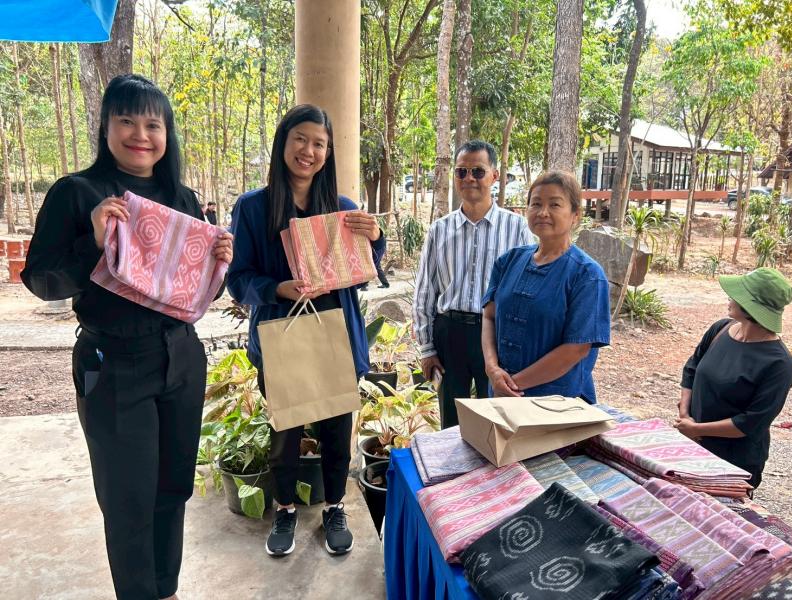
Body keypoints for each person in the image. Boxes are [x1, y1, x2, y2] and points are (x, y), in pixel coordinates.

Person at [21, 74, 233, 600]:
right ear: (105, 127)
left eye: (153, 124)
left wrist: (217, 265)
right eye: (127, 121)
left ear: (167, 134)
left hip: (180, 355)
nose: (141, 134)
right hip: (111, 359)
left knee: (173, 487)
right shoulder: (78, 193)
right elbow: (42, 281)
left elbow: (187, 293)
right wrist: (94, 240)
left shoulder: (183, 198)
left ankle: (166, 588)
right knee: (127, 498)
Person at [227, 104, 385, 557]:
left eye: (319, 143)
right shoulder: (253, 208)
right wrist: (276, 288)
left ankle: (335, 506)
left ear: (328, 153)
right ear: (284, 142)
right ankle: (285, 509)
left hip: (334, 334)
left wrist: (375, 239)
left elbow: (363, 272)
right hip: (282, 335)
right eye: (300, 139)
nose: (308, 150)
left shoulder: (343, 209)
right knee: (285, 434)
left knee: (336, 432)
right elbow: (237, 278)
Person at [413, 140, 534, 428]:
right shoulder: (439, 230)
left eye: (478, 171)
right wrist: (427, 348)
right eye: (461, 171)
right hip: (450, 333)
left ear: (495, 176)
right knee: (451, 419)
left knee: (497, 417)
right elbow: (425, 291)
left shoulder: (516, 228)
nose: (469, 178)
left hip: (495, 334)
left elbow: (526, 289)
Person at [481, 170, 610, 401]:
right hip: (501, 396)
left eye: (555, 204)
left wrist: (512, 385)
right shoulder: (508, 261)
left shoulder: (587, 275)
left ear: (575, 215)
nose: (543, 212)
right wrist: (492, 369)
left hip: (556, 404)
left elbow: (576, 349)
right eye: (536, 204)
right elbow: (489, 317)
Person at [676, 268, 792, 490]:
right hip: (693, 446)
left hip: (734, 462)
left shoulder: (780, 364)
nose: (729, 297)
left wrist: (697, 429)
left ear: (752, 307)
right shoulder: (720, 329)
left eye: (737, 295)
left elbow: (750, 423)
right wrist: (685, 416)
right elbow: (692, 368)